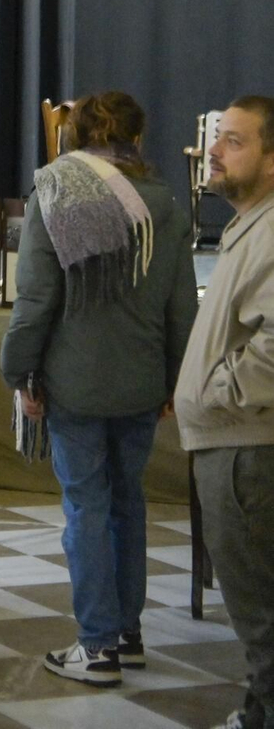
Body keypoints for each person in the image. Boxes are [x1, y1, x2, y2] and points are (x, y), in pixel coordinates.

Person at [0, 91, 197, 687]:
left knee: (85, 505)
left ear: (74, 136)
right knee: (126, 502)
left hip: (75, 381)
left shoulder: (55, 192)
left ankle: (96, 646)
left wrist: (17, 372)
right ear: (138, 138)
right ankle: (128, 635)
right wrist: (174, 377)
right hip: (141, 379)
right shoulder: (164, 202)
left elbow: (36, 302)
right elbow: (181, 306)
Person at [174, 95, 274, 729]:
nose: (213, 150)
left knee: (262, 617)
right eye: (218, 138)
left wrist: (216, 393)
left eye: (234, 141)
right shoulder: (251, 223)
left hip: (248, 452)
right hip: (235, 444)